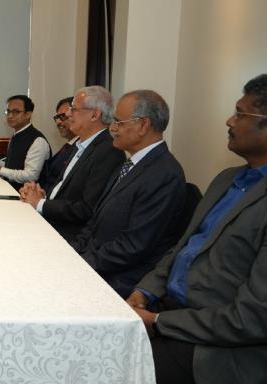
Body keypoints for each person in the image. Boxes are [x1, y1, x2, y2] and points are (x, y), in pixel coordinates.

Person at [128, 74, 267, 384]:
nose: (229, 121)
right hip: (168, 309)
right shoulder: (226, 179)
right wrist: (144, 290)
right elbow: (182, 249)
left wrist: (159, 321)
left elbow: (252, 319)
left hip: (216, 349)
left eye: (241, 114)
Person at [70, 90, 186, 298]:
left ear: (143, 125)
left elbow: (133, 247)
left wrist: (79, 263)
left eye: (118, 122)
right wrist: (70, 251)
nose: (112, 128)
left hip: (121, 279)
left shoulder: (164, 174)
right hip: (97, 261)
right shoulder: (129, 163)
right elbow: (95, 222)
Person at [20, 86, 125, 243]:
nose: (68, 115)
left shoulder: (109, 151)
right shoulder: (79, 145)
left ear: (95, 115)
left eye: (73, 109)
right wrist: (42, 196)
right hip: (52, 222)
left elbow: (87, 209)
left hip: (70, 237)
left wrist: (40, 203)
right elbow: (66, 190)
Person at [0, 95, 51, 191]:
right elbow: (15, 164)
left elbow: (31, 176)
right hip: (11, 190)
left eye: (16, 112)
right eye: (8, 111)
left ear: (28, 114)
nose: (10, 116)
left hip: (26, 198)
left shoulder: (38, 141)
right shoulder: (16, 135)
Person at [37, 96, 78, 189]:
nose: (58, 122)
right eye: (57, 117)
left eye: (63, 116)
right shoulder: (68, 145)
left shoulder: (82, 148)